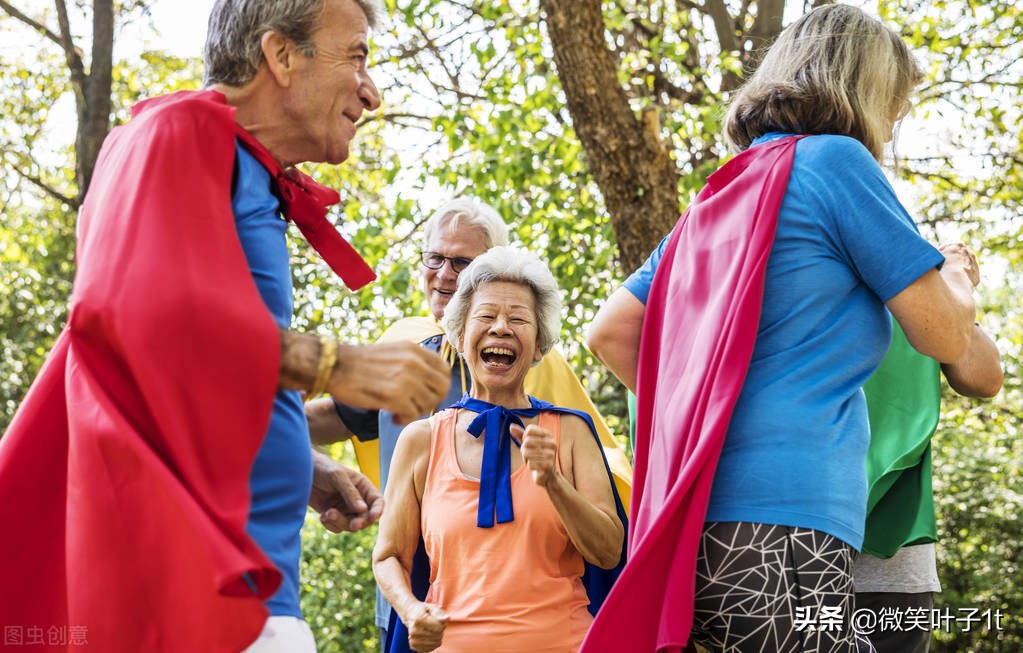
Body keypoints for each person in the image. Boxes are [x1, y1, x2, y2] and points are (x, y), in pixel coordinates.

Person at [0, 1, 452, 651]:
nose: (371, 92)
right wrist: (337, 364)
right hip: (188, 594)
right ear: (281, 55)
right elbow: (126, 311)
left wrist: (301, 465)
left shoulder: (246, 172)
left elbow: (190, 360)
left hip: (247, 590)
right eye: (356, 56)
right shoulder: (168, 129)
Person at [581, 5, 980, 652]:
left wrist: (709, 419)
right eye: (895, 102)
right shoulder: (838, 165)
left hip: (694, 533)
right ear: (865, 87)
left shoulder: (723, 188)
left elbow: (610, 330)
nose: (895, 121)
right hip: (785, 530)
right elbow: (941, 335)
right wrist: (959, 279)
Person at [305, 196, 634, 647]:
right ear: (462, 329)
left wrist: (553, 480)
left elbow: (607, 532)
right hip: (426, 617)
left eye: (462, 262)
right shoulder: (406, 354)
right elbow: (335, 417)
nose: (444, 274)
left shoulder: (556, 396)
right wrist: (276, 445)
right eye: (436, 258)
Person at [372, 246, 626, 653]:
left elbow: (609, 552)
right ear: (459, 336)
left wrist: (554, 483)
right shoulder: (420, 440)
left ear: (539, 345)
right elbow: (388, 557)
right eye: (486, 317)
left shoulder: (573, 431)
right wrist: (410, 610)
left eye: (519, 320)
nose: (501, 329)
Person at [854, 313, 1002, 653]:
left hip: (891, 561)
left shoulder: (925, 269)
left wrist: (956, 290)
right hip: (790, 535)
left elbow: (984, 378)